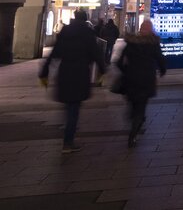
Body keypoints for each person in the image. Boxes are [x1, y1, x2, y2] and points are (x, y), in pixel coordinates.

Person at [39, 9, 107, 154]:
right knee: (74, 107)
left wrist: (45, 70)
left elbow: (55, 53)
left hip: (65, 71)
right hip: (80, 72)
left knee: (69, 105)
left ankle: (68, 132)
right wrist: (102, 69)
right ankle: (68, 141)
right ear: (86, 19)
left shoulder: (65, 32)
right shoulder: (88, 33)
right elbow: (96, 53)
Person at [115, 19, 166, 148]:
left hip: (131, 78)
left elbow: (119, 61)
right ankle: (133, 133)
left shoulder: (132, 42)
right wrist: (162, 70)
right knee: (141, 107)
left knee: (133, 102)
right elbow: (160, 59)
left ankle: (132, 116)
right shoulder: (153, 43)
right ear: (150, 30)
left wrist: (126, 71)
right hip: (146, 79)